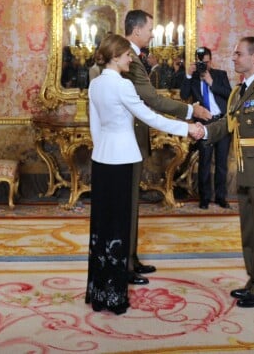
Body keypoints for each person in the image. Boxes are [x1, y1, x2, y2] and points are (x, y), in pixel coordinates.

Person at [86, 34, 202, 314]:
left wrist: (101, 149)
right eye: (127, 55)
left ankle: (98, 291)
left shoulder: (95, 84)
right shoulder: (122, 86)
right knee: (119, 225)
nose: (131, 59)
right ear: (115, 56)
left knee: (102, 227)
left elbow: (95, 126)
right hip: (123, 159)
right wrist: (187, 128)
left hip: (101, 159)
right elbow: (150, 117)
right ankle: (114, 296)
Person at [123, 9, 211, 284]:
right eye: (150, 29)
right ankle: (124, 263)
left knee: (132, 204)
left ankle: (131, 258)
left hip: (133, 137)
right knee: (127, 205)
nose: (152, 34)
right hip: (126, 140)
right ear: (136, 30)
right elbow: (150, 99)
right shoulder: (128, 58)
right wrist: (190, 110)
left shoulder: (136, 57)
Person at [206, 37, 254, 309]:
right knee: (250, 230)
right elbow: (228, 124)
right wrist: (202, 132)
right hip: (245, 171)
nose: (233, 57)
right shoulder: (240, 91)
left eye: (239, 53)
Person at [180, 46, 232, 209]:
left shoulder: (220, 75)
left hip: (222, 122)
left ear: (211, 60)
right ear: (197, 61)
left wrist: (211, 82)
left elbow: (230, 95)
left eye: (207, 63)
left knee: (222, 163)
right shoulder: (193, 78)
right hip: (204, 124)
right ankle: (205, 198)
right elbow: (183, 95)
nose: (204, 66)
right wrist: (188, 74)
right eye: (201, 63)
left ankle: (221, 197)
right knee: (205, 162)